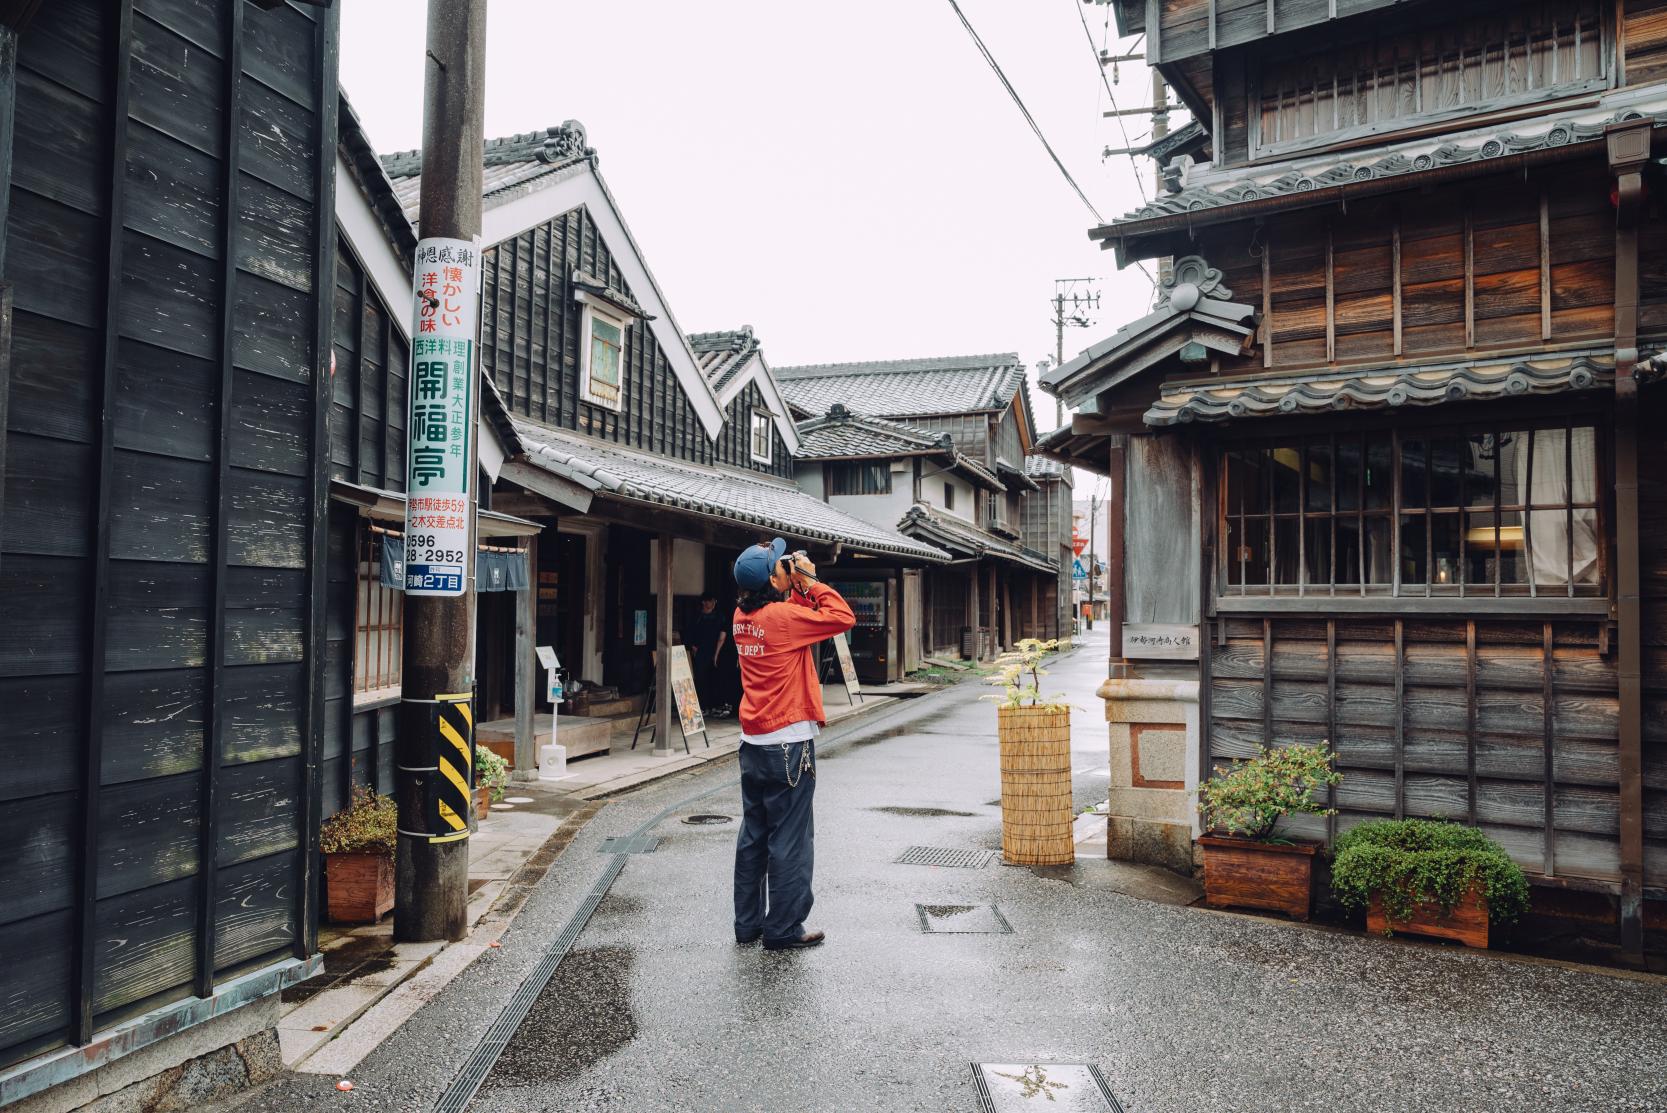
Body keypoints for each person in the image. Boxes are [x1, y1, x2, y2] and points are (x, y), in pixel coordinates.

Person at [729, 537, 854, 951]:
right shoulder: (781, 618)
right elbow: (840, 616)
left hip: (753, 741)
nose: (786, 565)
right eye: (779, 564)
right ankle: (783, 927)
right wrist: (810, 579)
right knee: (791, 840)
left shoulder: (742, 615)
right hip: (788, 743)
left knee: (754, 837)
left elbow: (798, 618)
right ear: (772, 578)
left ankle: (748, 924)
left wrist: (793, 584)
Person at [687, 593, 729, 717]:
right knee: (701, 679)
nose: (713, 603)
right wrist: (693, 646)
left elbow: (723, 636)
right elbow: (690, 633)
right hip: (700, 651)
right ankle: (703, 706)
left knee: (714, 679)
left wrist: (716, 653)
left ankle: (715, 706)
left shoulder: (720, 617)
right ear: (704, 602)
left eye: (714, 601)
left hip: (716, 651)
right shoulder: (697, 617)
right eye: (710, 600)